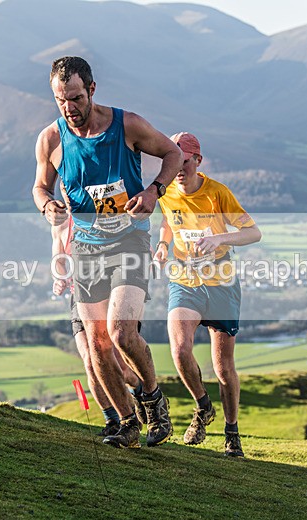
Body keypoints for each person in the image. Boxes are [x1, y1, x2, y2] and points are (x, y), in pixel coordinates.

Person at [33, 56, 182, 448]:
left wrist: (154, 190)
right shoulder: (50, 139)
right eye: (61, 100)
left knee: (121, 331)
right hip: (86, 246)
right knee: (97, 341)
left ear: (92, 90)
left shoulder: (126, 125)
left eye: (76, 98)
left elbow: (173, 154)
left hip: (129, 239)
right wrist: (47, 205)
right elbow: (39, 188)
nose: (69, 108)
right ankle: (128, 423)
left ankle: (152, 396)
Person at [153, 132, 261, 457]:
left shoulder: (217, 193)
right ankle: (203, 407)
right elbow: (168, 222)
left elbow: (253, 232)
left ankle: (232, 433)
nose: (178, 168)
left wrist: (220, 239)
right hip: (185, 277)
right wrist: (162, 245)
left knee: (223, 366)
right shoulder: (166, 191)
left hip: (221, 280)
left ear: (198, 160)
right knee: (180, 348)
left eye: (184, 161)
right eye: (173, 160)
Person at [51, 214, 142, 436]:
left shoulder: (105, 212)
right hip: (80, 296)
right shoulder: (61, 220)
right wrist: (60, 278)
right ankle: (113, 420)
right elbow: (59, 257)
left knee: (119, 367)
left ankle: (139, 388)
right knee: (91, 362)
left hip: (112, 294)